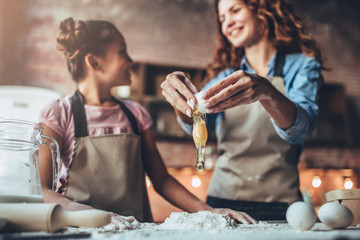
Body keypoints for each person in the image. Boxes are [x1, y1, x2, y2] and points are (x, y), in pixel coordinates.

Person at [38, 17, 256, 228]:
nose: (130, 61)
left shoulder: (136, 114)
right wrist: (92, 216)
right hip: (80, 232)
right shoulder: (59, 113)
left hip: (135, 231)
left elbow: (161, 179)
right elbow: (41, 189)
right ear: (94, 61)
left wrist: (209, 211)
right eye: (122, 52)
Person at [160, 0, 325, 220]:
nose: (227, 23)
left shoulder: (302, 66)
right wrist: (181, 100)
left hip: (281, 204)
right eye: (222, 19)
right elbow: (195, 122)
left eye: (234, 11)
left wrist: (268, 92)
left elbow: (302, 130)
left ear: (261, 10)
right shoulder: (224, 77)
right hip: (223, 201)